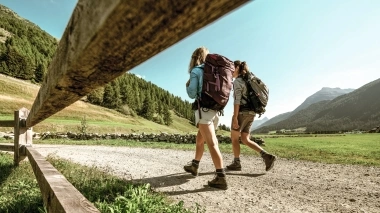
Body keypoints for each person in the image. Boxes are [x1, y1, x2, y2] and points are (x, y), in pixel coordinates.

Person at [183, 46, 227, 190]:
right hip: (216, 112)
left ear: (195, 57)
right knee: (200, 139)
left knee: (212, 143)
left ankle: (221, 177)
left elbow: (191, 93)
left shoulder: (196, 71)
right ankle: (194, 165)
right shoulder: (215, 71)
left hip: (204, 111)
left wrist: (187, 85)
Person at [227, 60, 277, 172]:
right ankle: (267, 156)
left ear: (237, 68)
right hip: (252, 114)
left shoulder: (238, 82)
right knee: (245, 139)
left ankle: (236, 163)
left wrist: (235, 117)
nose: (231, 72)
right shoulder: (249, 80)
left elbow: (237, 101)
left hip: (241, 113)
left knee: (234, 138)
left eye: (232, 69)